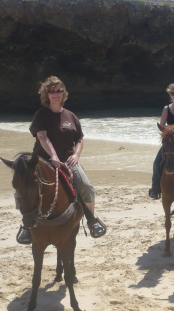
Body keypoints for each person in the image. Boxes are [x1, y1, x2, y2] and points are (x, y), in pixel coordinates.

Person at [16, 76, 106, 244]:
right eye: (51, 91)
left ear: (63, 93)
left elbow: (80, 139)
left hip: (67, 161)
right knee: (22, 187)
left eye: (58, 91)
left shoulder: (71, 116)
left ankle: (92, 220)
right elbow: (42, 137)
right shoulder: (41, 114)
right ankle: (26, 226)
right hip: (42, 160)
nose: (55, 94)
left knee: (86, 187)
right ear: (46, 94)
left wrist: (76, 155)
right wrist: (53, 156)